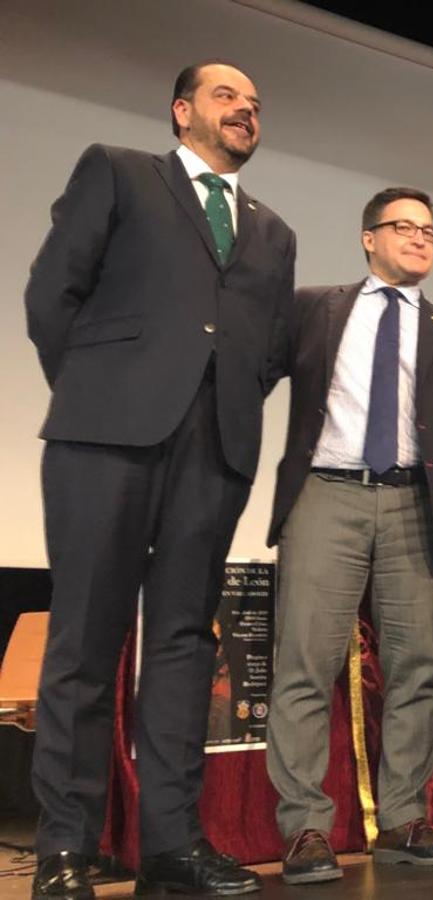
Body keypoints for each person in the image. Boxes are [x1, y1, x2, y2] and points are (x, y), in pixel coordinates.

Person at [24, 60, 295, 898]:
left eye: (254, 103)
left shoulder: (274, 231)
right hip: (106, 436)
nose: (245, 109)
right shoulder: (117, 168)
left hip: (215, 450)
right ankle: (66, 847)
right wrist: (100, 391)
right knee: (85, 640)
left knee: (183, 647)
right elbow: (50, 295)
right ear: (182, 112)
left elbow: (270, 345)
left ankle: (172, 844)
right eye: (226, 96)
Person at [264, 188, 433, 884]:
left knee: (417, 667)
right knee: (306, 664)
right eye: (404, 227)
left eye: (429, 231)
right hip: (327, 493)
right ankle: (305, 828)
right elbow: (247, 378)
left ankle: (404, 820)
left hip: (417, 502)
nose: (420, 239)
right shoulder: (313, 306)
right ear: (368, 237)